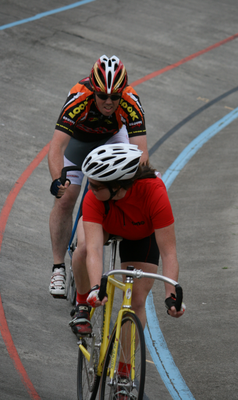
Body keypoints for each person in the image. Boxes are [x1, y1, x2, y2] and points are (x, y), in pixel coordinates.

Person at [48, 55, 149, 298]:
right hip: (78, 143)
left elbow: (141, 155)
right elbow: (56, 148)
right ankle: (58, 267)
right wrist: (57, 180)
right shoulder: (78, 95)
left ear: (121, 93)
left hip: (111, 140)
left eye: (115, 97)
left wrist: (135, 188)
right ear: (93, 89)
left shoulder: (131, 101)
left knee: (115, 188)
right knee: (65, 199)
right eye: (103, 95)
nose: (109, 101)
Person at [69, 143, 185, 338]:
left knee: (136, 302)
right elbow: (95, 249)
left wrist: (171, 295)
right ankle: (82, 306)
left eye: (96, 185)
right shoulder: (93, 197)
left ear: (118, 186)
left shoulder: (155, 192)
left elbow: (168, 252)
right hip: (105, 225)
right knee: (83, 248)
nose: (90, 188)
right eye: (90, 182)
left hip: (140, 235)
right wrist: (97, 288)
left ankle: (124, 367)